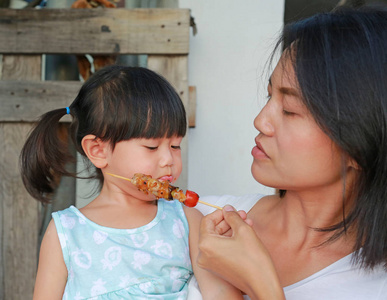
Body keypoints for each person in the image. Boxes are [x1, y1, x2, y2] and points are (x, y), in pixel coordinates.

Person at [194, 5, 387, 300]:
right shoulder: (199, 221)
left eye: (290, 109)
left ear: (360, 144)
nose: (260, 120)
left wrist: (263, 284)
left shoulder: (374, 286)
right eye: (270, 95)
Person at [20, 65, 243, 299]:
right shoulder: (65, 232)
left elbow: (220, 294)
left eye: (175, 145)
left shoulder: (187, 221)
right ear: (98, 150)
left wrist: (230, 256)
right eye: (152, 147)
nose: (169, 159)